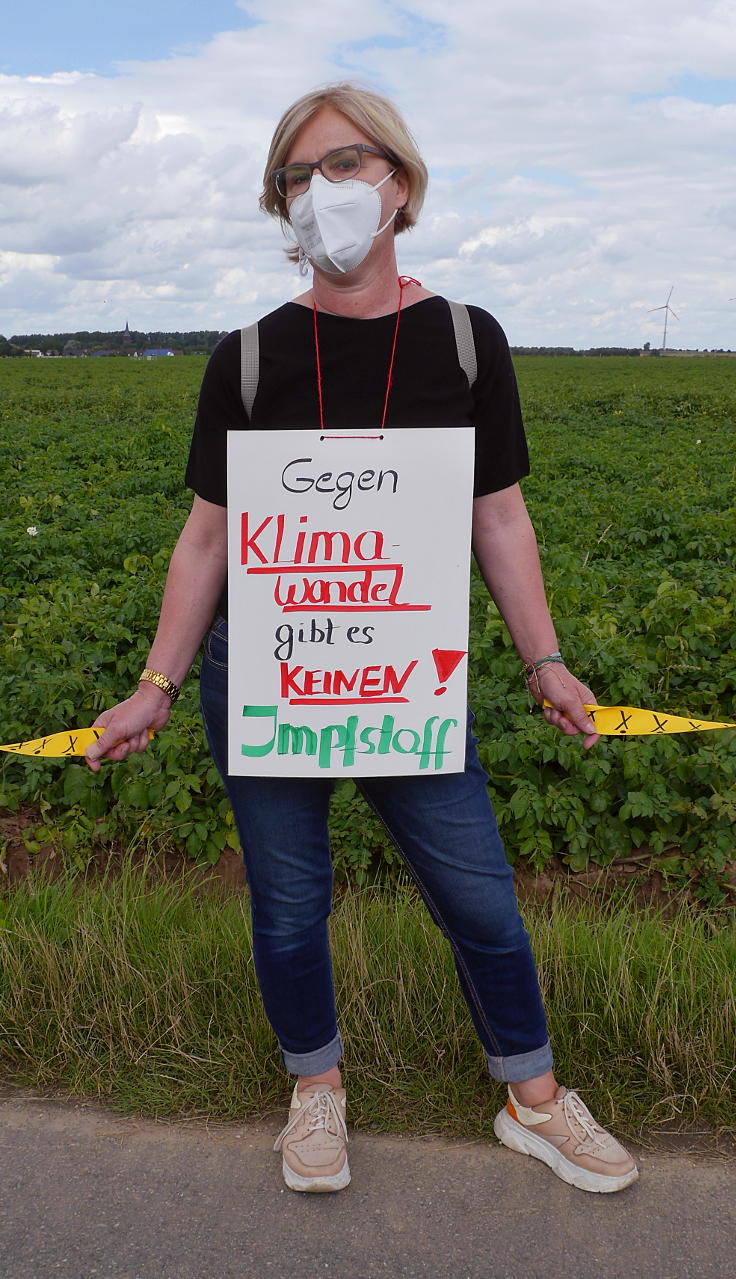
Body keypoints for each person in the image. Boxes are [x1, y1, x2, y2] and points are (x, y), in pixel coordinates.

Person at [85, 83, 638, 1196]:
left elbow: (500, 517)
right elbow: (207, 542)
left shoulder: (466, 344)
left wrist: (544, 658)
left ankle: (532, 1097)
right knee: (289, 901)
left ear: (399, 182)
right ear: (278, 206)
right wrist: (156, 681)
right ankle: (316, 1089)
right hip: (271, 672)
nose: (322, 191)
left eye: (345, 164)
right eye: (297, 176)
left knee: (478, 891)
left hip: (406, 673)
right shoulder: (246, 358)